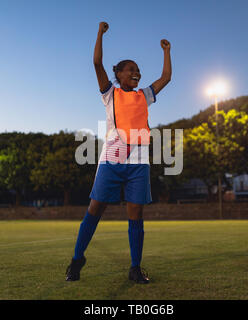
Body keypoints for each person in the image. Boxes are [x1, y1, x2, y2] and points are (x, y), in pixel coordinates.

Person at [65, 21, 172, 284]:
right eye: (131, 69)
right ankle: (77, 259)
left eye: (138, 69)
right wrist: (100, 33)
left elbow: (166, 78)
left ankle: (135, 268)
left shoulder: (144, 95)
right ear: (119, 74)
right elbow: (97, 63)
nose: (136, 72)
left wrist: (166, 51)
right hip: (112, 158)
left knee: (136, 213)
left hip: (138, 163)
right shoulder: (110, 93)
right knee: (95, 208)